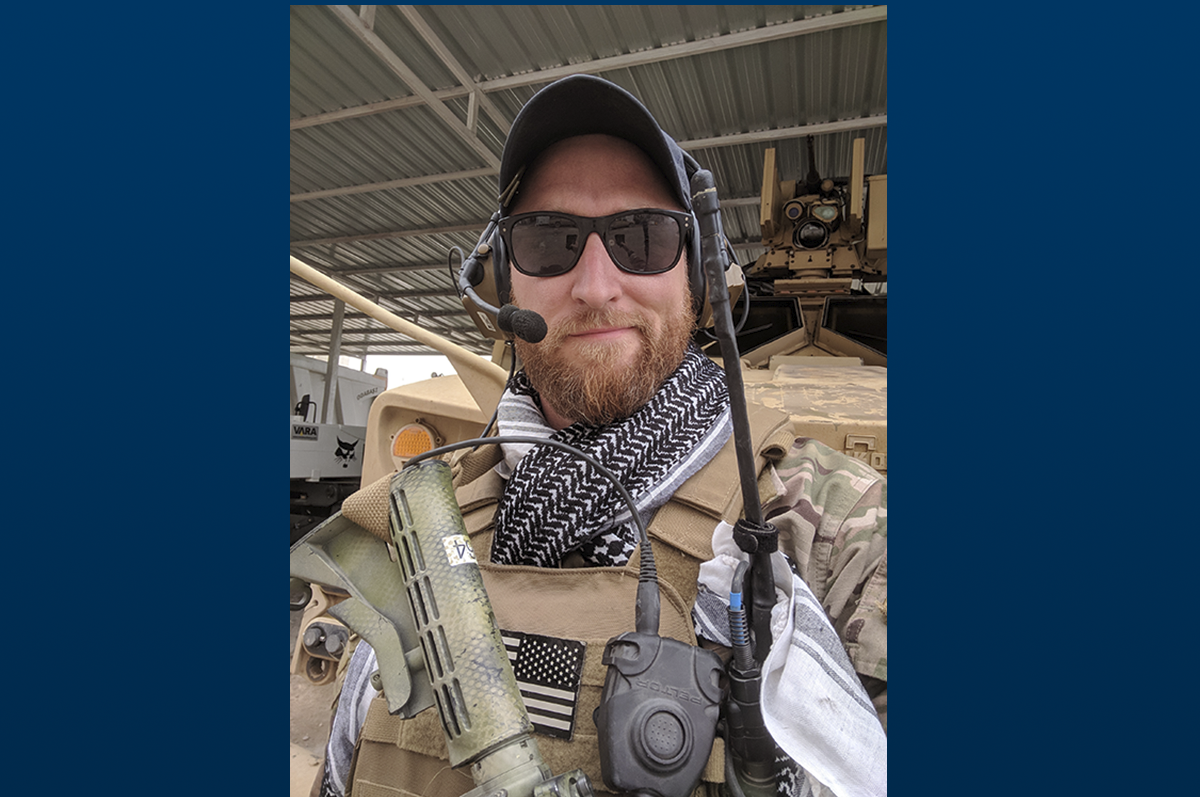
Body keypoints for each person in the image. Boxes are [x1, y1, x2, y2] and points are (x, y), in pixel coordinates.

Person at [313, 74, 887, 797]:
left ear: (700, 279)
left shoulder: (825, 532)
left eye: (639, 238)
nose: (595, 285)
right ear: (500, 282)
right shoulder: (419, 525)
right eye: (550, 239)